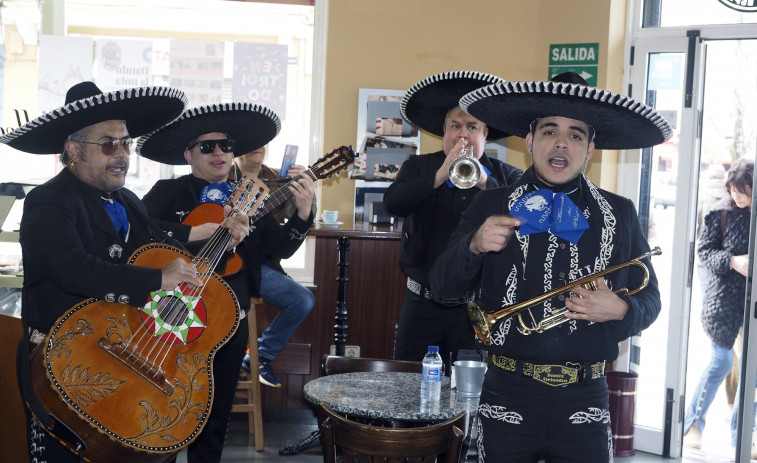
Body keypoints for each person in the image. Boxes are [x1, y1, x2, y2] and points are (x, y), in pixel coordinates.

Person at [2, 82, 250, 463]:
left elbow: (166, 254)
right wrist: (155, 280)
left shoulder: (128, 200)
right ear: (72, 150)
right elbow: (72, 269)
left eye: (125, 144)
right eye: (108, 144)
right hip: (64, 363)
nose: (121, 155)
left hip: (119, 353)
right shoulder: (48, 201)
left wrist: (222, 241)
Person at [429, 72, 671, 461]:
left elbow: (652, 300)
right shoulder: (490, 204)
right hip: (507, 391)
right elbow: (442, 286)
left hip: (585, 398)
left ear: (590, 147)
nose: (561, 142)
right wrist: (473, 246)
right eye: (549, 131)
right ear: (529, 142)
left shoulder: (620, 213)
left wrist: (623, 310)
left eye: (576, 134)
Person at [137, 103, 315, 462]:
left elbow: (279, 248)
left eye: (225, 146)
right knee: (161, 394)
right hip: (171, 308)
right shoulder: (168, 191)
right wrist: (196, 233)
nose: (218, 153)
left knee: (215, 407)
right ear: (189, 154)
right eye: (207, 147)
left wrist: (304, 212)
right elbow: (140, 235)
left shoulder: (250, 196)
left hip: (228, 312)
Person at [384, 70, 523, 366]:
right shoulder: (419, 167)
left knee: (468, 395)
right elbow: (393, 204)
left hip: (476, 308)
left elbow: (524, 218)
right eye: (455, 125)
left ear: (485, 135)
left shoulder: (506, 175)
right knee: (407, 388)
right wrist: (438, 176)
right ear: (444, 131)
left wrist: (484, 181)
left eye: (472, 126)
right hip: (420, 304)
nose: (462, 134)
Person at [682, 158, 753, 455]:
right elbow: (705, 252)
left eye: (744, 191)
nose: (738, 196)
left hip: (751, 303)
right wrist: (734, 261)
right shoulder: (719, 213)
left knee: (753, 369)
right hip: (723, 298)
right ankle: (692, 425)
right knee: (722, 362)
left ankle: (742, 436)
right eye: (734, 190)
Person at [232, 144, 316, 378]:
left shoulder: (278, 178)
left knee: (303, 299)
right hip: (220, 267)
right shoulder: (221, 175)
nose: (257, 146)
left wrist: (307, 195)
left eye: (264, 141)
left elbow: (296, 223)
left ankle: (260, 355)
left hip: (261, 264)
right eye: (252, 141)